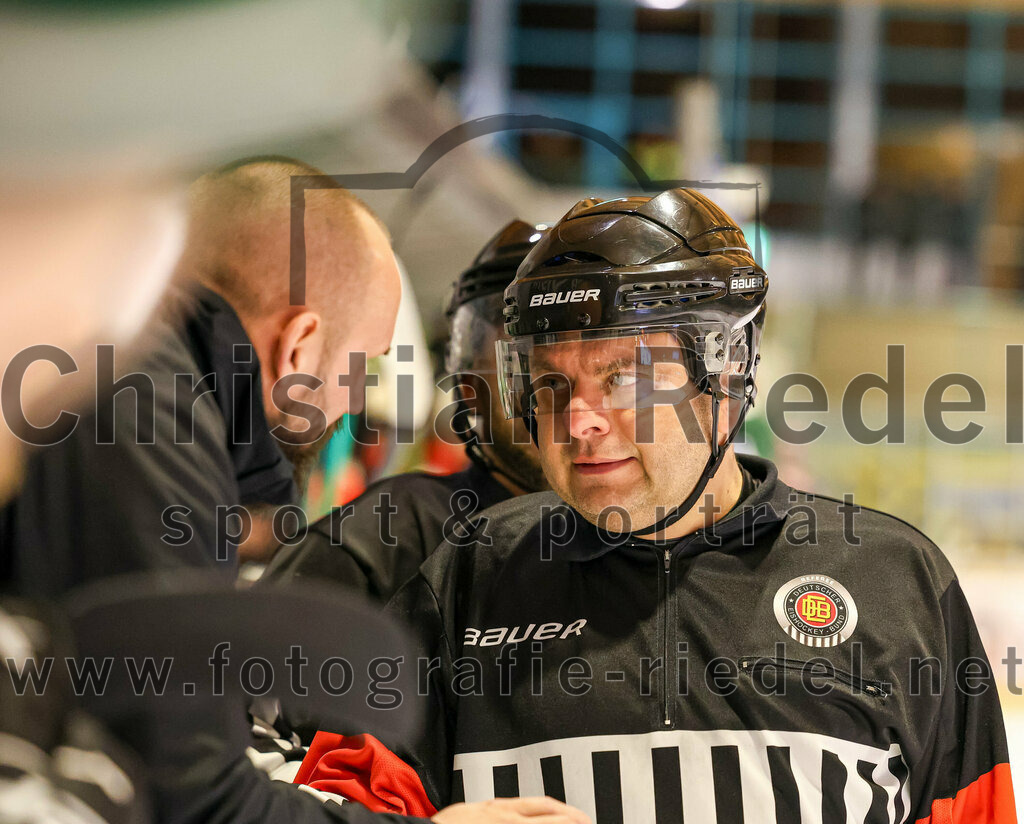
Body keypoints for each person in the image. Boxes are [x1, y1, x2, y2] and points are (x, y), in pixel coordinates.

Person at [297, 188, 1016, 823]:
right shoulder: (465, 581)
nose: (577, 420)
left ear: (724, 372)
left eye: (621, 378)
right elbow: (334, 802)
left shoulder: (897, 584)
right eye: (551, 385)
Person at [0, 155, 402, 593]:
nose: (356, 400)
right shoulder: (156, 415)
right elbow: (162, 658)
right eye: (360, 364)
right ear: (297, 348)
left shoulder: (129, 367)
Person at [261, 219, 549, 599]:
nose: (575, 407)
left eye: (615, 376)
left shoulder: (648, 534)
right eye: (526, 365)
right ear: (469, 387)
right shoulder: (388, 538)